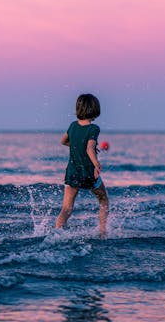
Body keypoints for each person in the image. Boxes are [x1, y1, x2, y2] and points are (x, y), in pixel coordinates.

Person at [55, 93, 109, 238]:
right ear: (94, 109)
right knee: (103, 200)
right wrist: (96, 164)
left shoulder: (72, 126)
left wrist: (77, 146)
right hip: (88, 173)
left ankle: (57, 235)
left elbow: (63, 141)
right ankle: (103, 234)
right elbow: (89, 148)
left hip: (72, 173)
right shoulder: (93, 129)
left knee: (66, 209)